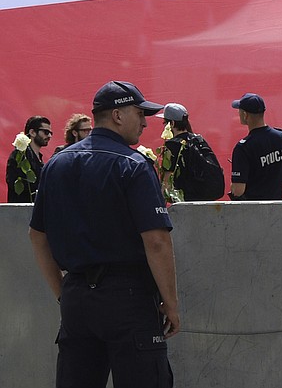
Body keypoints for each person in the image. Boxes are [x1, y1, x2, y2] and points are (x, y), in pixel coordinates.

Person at [29, 80, 180, 388]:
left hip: (76, 299)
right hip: (128, 298)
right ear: (117, 115)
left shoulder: (56, 163)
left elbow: (37, 235)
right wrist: (171, 303)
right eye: (139, 112)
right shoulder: (133, 164)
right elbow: (156, 241)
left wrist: (63, 292)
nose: (145, 121)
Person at [229, 92, 282, 200]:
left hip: (254, 210)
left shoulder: (243, 147)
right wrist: (271, 184)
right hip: (278, 206)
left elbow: (238, 190)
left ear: (245, 115)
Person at [157, 102, 225, 201]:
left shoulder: (172, 145)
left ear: (172, 124)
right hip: (205, 201)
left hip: (185, 203)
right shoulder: (198, 139)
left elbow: (166, 184)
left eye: (165, 123)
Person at [6, 115, 52, 202]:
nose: (49, 136)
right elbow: (16, 185)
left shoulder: (39, 158)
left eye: (50, 133)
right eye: (46, 132)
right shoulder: (19, 155)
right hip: (22, 211)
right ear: (32, 132)